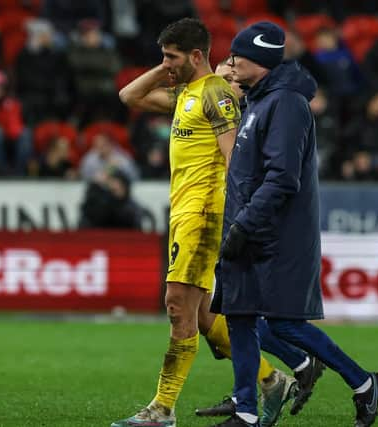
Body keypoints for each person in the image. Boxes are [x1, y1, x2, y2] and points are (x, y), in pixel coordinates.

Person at [111, 18, 299, 427]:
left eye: (172, 56)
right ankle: (271, 380)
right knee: (200, 317)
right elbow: (129, 95)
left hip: (204, 212)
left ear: (197, 55)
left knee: (177, 306)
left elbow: (236, 160)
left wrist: (244, 215)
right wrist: (166, 67)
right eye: (163, 56)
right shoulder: (187, 94)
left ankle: (162, 409)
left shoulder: (215, 94)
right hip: (184, 211)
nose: (166, 64)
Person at [210, 22, 378, 427]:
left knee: (285, 322)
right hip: (248, 226)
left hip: (275, 234)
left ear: (261, 61)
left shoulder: (287, 104)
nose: (231, 64)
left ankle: (362, 382)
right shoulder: (258, 100)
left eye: (238, 57)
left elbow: (282, 177)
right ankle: (246, 411)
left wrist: (245, 224)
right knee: (238, 315)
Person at [192, 60, 326, 422]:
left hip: (236, 216)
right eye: (220, 78)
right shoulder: (227, 109)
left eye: (229, 77)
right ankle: (276, 376)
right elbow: (131, 96)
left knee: (228, 311)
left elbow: (255, 171)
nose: (223, 84)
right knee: (219, 313)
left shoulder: (252, 117)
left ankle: (258, 390)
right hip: (220, 213)